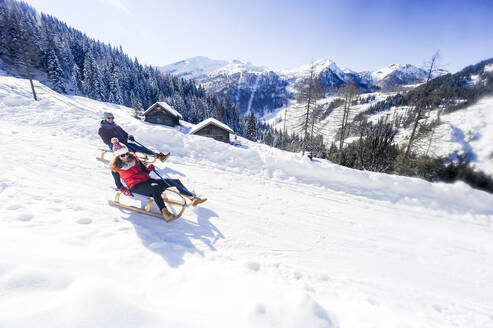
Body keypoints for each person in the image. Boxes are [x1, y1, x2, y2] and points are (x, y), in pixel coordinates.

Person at [109, 138, 206, 220]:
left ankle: (192, 198)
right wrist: (124, 190)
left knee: (175, 181)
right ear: (117, 156)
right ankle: (165, 213)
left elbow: (144, 171)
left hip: (147, 181)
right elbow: (118, 183)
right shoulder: (115, 168)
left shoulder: (135, 159)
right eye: (122, 155)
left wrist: (149, 169)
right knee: (155, 187)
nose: (125, 156)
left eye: (126, 153)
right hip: (135, 186)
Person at [98, 112, 169, 161]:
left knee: (138, 147)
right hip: (116, 146)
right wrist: (115, 142)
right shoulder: (102, 129)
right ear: (105, 119)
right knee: (130, 152)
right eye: (109, 118)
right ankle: (136, 163)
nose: (111, 119)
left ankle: (159, 156)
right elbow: (106, 141)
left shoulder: (116, 126)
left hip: (124, 143)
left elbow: (124, 133)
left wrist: (129, 136)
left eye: (112, 118)